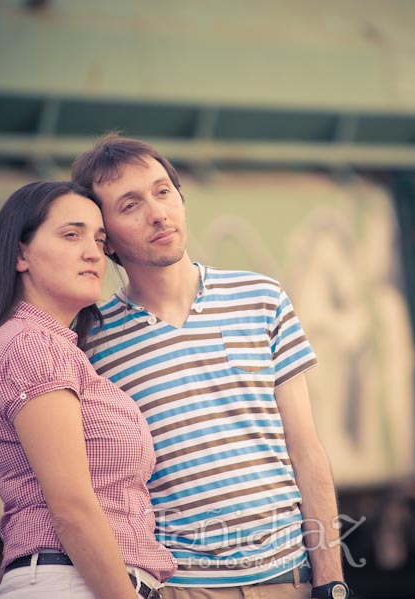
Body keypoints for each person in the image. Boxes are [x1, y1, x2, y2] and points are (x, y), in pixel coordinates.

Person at [70, 134, 351, 599]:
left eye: (163, 192)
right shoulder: (93, 345)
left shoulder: (261, 299)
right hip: (186, 589)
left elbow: (306, 450)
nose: (157, 212)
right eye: (130, 205)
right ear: (106, 240)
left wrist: (332, 579)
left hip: (293, 582)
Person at [0, 181, 176, 599]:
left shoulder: (48, 347)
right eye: (71, 235)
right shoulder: (32, 345)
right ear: (20, 254)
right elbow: (72, 512)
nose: (93, 252)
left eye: (99, 240)